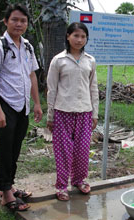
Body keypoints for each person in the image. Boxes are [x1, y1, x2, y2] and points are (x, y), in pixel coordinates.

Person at [0, 4, 42, 211]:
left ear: (27, 24)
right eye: (15, 20)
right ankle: (6, 193)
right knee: (4, 148)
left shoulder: (27, 46)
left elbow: (32, 75)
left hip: (22, 105)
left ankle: (9, 185)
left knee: (15, 148)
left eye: (23, 21)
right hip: (5, 104)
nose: (19, 24)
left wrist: (36, 103)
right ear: (6, 21)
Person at [46, 22, 99, 201]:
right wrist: (50, 115)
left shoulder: (90, 60)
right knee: (63, 151)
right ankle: (61, 186)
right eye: (75, 35)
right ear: (68, 36)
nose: (79, 40)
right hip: (63, 112)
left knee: (83, 150)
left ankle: (79, 180)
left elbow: (93, 88)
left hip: (85, 112)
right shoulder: (59, 60)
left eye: (83, 36)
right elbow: (51, 89)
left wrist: (95, 114)